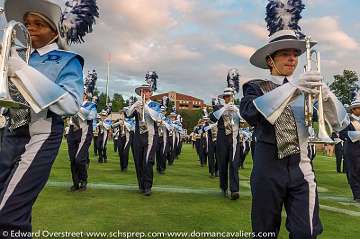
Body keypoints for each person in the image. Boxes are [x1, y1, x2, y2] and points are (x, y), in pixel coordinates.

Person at [240, 1, 348, 237]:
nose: (292, 59)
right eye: (285, 54)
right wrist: (294, 87)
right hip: (268, 168)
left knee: (306, 232)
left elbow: (340, 123)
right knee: (264, 231)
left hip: (302, 168)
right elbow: (250, 113)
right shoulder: (256, 87)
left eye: (295, 54)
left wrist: (326, 95)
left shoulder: (305, 88)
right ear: (270, 60)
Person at [0, 0, 98, 236]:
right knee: (13, 206)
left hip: (41, 133)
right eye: (26, 23)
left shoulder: (67, 60)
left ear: (54, 31)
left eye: (37, 24)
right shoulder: (17, 55)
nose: (29, 28)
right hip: (10, 132)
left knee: (8, 213)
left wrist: (20, 70)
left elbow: (71, 104)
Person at [126, 73, 161, 196]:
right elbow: (128, 115)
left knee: (147, 160)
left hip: (150, 135)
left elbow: (156, 117)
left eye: (146, 91)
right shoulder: (138, 104)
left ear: (150, 93)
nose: (144, 93)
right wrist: (134, 106)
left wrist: (145, 106)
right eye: (142, 91)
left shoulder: (155, 105)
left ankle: (148, 186)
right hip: (138, 136)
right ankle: (141, 185)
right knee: (138, 161)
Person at [210, 87, 241, 200]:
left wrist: (237, 111)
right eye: (226, 96)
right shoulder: (218, 107)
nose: (228, 98)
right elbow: (212, 118)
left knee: (234, 163)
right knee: (222, 163)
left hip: (234, 137)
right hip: (222, 136)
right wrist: (224, 108)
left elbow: (246, 119)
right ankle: (223, 187)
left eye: (229, 96)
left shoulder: (238, 107)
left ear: (233, 97)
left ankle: (234, 190)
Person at [67, 92, 97, 192]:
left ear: (84, 95)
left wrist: (77, 108)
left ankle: (83, 180)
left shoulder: (91, 105)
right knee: (72, 160)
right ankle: (75, 183)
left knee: (79, 159)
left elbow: (91, 117)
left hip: (84, 132)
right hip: (72, 131)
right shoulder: (72, 103)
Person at [339, 99, 360, 203]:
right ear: (354, 109)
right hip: (352, 149)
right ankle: (357, 195)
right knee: (354, 172)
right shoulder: (347, 120)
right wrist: (357, 135)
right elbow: (342, 134)